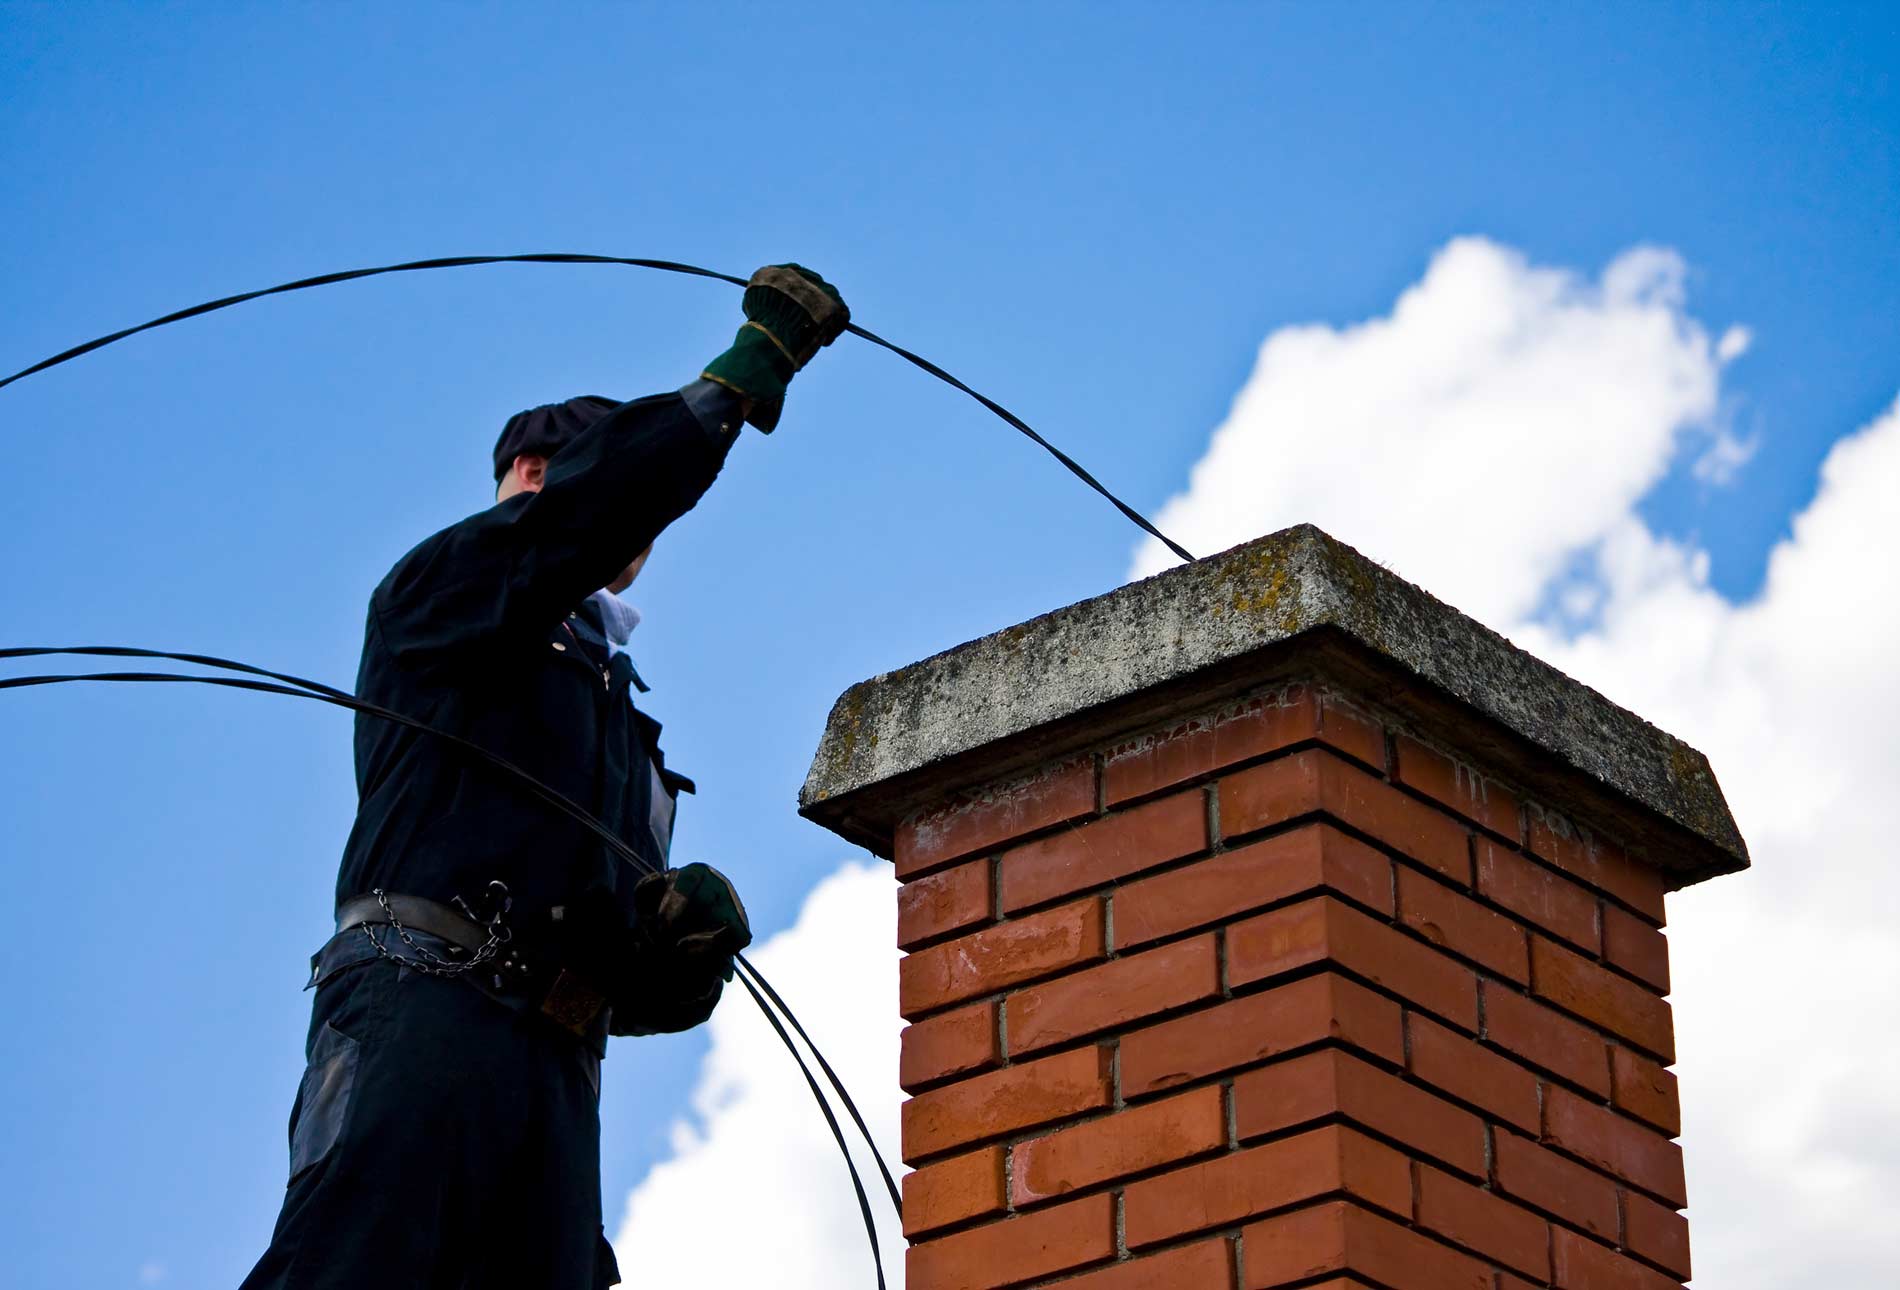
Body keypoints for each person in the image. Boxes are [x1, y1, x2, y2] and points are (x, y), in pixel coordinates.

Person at [239, 265, 850, 1290]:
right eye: (620, 490)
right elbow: (578, 522)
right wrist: (734, 385)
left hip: (554, 1071)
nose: (640, 530)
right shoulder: (443, 592)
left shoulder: (627, 734)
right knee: (355, 1266)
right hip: (417, 1010)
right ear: (530, 473)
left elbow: (622, 983)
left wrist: (678, 953)